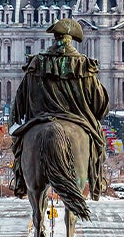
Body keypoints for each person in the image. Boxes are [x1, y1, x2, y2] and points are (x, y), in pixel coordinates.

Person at [10, 19, 109, 202]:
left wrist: (15, 124)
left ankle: (20, 181)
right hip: (77, 120)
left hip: (38, 120)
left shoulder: (36, 64)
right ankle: (96, 181)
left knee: (19, 143)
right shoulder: (84, 65)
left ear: (54, 38)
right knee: (98, 143)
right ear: (71, 39)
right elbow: (99, 102)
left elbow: (19, 101)